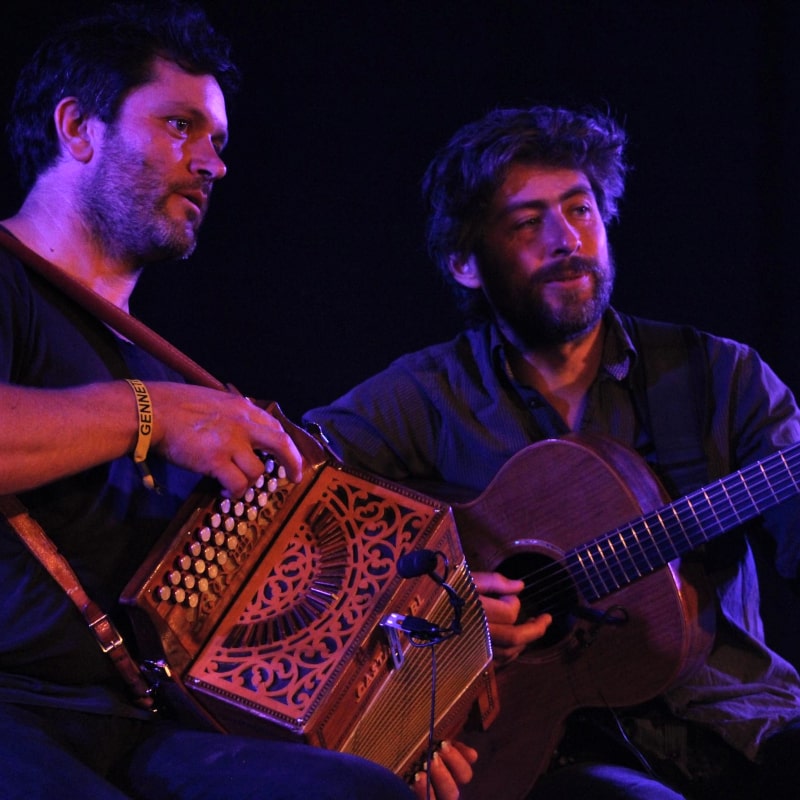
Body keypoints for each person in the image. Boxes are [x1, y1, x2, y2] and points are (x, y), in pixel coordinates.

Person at [0, 4, 475, 799]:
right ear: (77, 128)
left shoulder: (160, 366)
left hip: (142, 724)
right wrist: (148, 412)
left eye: (217, 141)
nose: (212, 164)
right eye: (180, 126)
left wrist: (384, 725)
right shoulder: (17, 285)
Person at [303, 104, 800, 799]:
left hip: (743, 727)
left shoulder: (725, 377)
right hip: (542, 749)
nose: (566, 239)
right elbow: (293, 491)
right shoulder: (424, 395)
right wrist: (429, 598)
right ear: (467, 265)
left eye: (580, 210)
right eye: (528, 223)